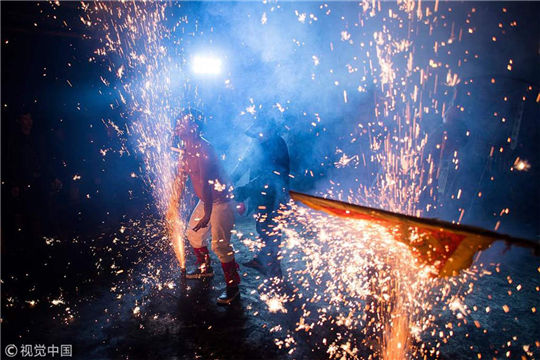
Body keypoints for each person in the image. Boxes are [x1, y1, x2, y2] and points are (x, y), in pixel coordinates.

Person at [167, 109, 240, 305]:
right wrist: (173, 205)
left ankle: (233, 287)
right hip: (206, 202)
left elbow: (208, 184)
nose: (177, 126)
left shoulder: (204, 149)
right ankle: (205, 269)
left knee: (220, 245)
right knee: (194, 235)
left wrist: (208, 213)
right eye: (177, 123)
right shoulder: (184, 148)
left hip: (221, 201)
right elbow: (180, 178)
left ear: (194, 128)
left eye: (181, 123)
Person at [231, 108, 290, 278]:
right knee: (261, 225)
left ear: (269, 130)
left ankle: (273, 269)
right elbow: (245, 163)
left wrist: (245, 189)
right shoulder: (258, 142)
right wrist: (230, 178)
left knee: (269, 228)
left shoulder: (276, 145)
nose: (257, 135)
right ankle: (262, 259)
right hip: (261, 193)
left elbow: (270, 176)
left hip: (275, 194)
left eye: (260, 132)